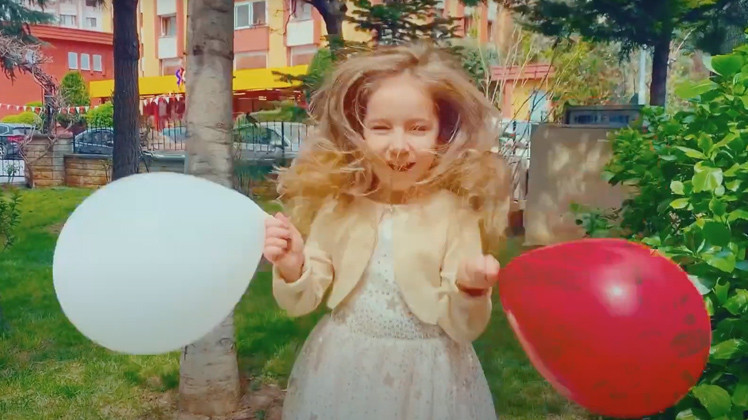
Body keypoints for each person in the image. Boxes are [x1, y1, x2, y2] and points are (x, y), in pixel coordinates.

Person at [262, 42, 511, 420]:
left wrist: (470, 288)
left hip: (428, 374)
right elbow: (303, 300)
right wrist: (294, 266)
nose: (398, 146)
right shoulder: (341, 206)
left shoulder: (454, 215)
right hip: (346, 365)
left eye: (418, 128)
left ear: (441, 134)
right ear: (357, 133)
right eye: (380, 128)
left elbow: (463, 328)